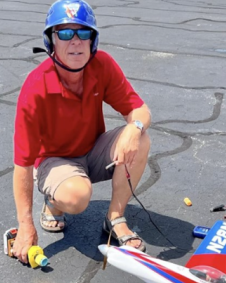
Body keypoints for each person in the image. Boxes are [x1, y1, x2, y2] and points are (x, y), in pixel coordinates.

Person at [11, 0, 151, 264]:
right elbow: (22, 164)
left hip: (93, 149)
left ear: (92, 41)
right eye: (64, 33)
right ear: (51, 41)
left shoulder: (102, 65)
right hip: (55, 162)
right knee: (77, 197)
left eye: (83, 33)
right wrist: (25, 225)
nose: (75, 41)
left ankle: (115, 217)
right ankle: (53, 202)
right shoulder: (35, 88)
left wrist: (134, 128)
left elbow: (141, 110)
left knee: (141, 137)